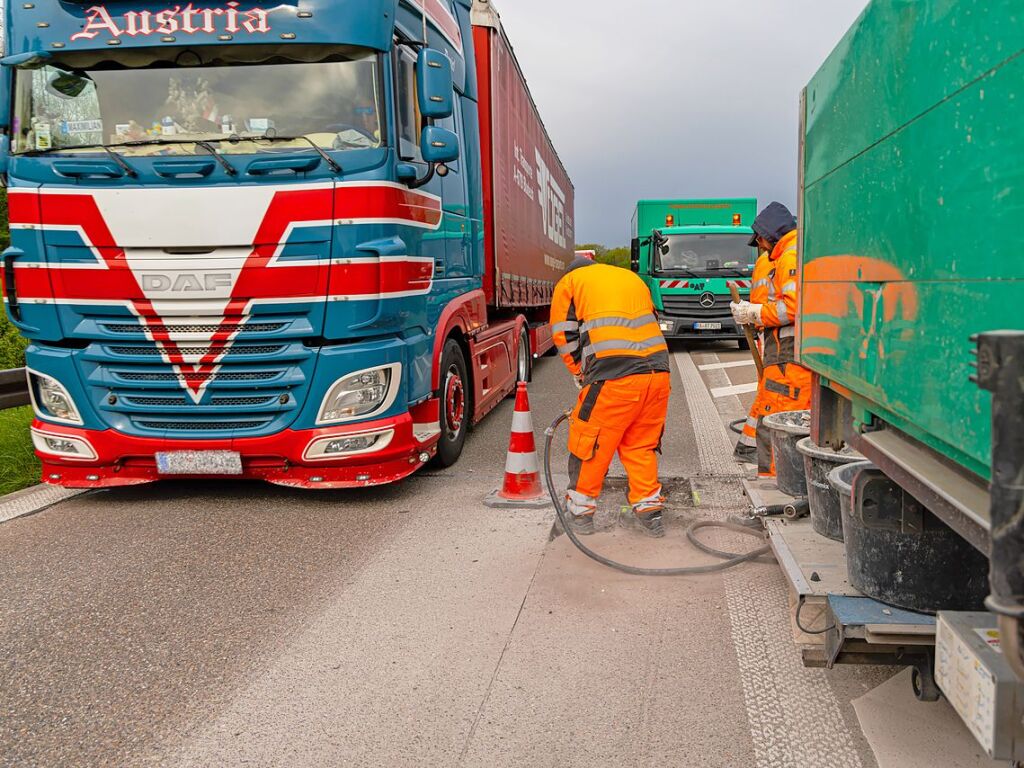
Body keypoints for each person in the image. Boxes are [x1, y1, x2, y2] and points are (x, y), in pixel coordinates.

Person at [550, 257, 672, 537]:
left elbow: (563, 334)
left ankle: (580, 514)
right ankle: (650, 512)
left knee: (590, 442)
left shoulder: (570, 282)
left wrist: (579, 372)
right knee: (640, 445)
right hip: (658, 375)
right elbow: (653, 319)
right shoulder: (631, 278)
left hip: (613, 376)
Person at [730, 202, 812, 477]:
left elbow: (792, 307)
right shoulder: (793, 252)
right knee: (779, 419)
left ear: (769, 235)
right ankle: (776, 480)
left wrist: (755, 313)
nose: (760, 246)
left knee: (777, 421)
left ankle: (777, 489)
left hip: (787, 355)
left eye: (760, 240)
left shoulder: (789, 257)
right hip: (787, 351)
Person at [733, 245, 772, 462]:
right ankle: (751, 445)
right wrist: (752, 313)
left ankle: (749, 444)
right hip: (769, 330)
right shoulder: (771, 259)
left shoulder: (773, 259)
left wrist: (752, 313)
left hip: (767, 328)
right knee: (769, 388)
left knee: (767, 388)